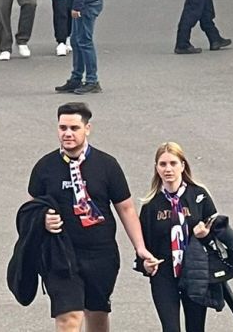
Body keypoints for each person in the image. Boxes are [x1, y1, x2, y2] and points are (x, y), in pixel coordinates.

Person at [26, 103, 157, 332]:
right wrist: (42, 220)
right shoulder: (45, 167)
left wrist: (140, 248)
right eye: (62, 127)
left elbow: (125, 209)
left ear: (87, 128)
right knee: (69, 318)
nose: (67, 133)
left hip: (100, 253)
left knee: (96, 315)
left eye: (74, 128)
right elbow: (29, 211)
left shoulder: (107, 165)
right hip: (60, 254)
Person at [139, 142, 218, 332]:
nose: (168, 169)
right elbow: (142, 245)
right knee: (170, 328)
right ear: (156, 168)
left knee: (196, 328)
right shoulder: (151, 205)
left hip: (194, 272)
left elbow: (218, 236)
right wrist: (145, 265)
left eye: (173, 163)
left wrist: (205, 236)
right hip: (164, 275)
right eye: (163, 164)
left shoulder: (199, 196)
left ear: (183, 165)